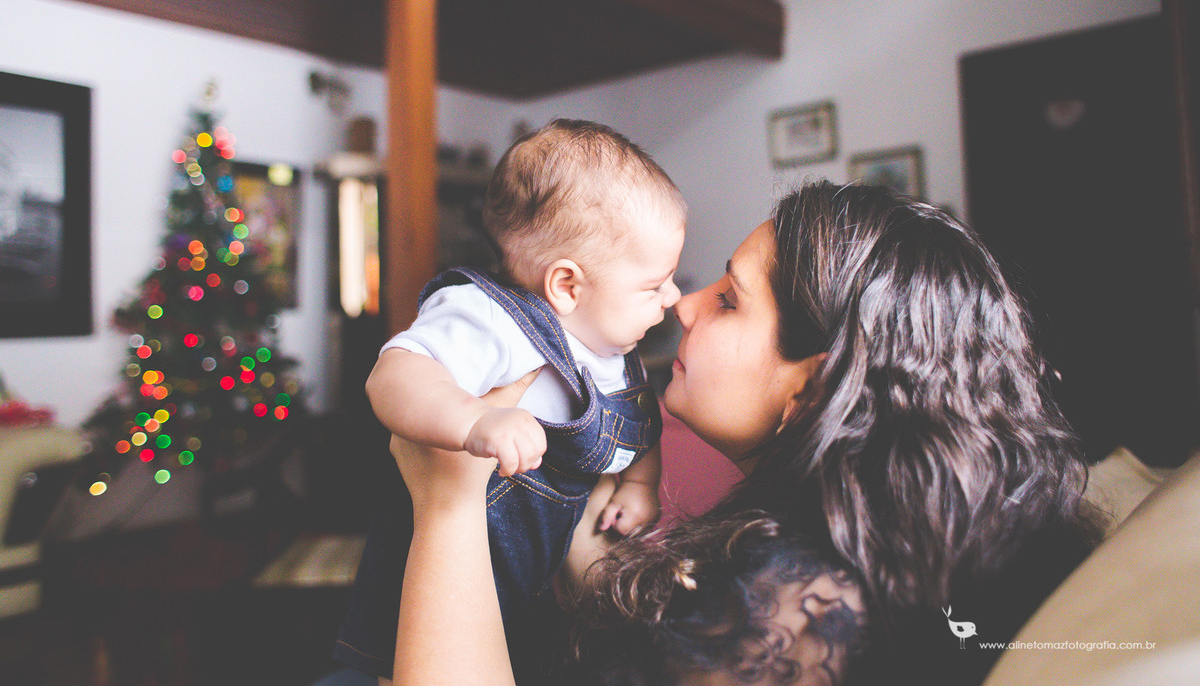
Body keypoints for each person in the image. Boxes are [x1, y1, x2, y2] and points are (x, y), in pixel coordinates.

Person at [382, 180, 1102, 685]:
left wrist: (446, 504)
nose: (684, 306)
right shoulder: (881, 545)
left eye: (728, 299)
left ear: (812, 388)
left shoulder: (795, 614)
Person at [332, 119, 687, 680]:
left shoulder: (613, 350)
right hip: (433, 569)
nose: (673, 298)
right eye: (654, 285)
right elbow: (393, 375)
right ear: (567, 285)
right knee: (402, 662)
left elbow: (640, 427)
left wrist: (640, 486)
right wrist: (471, 417)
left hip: (535, 578)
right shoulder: (492, 319)